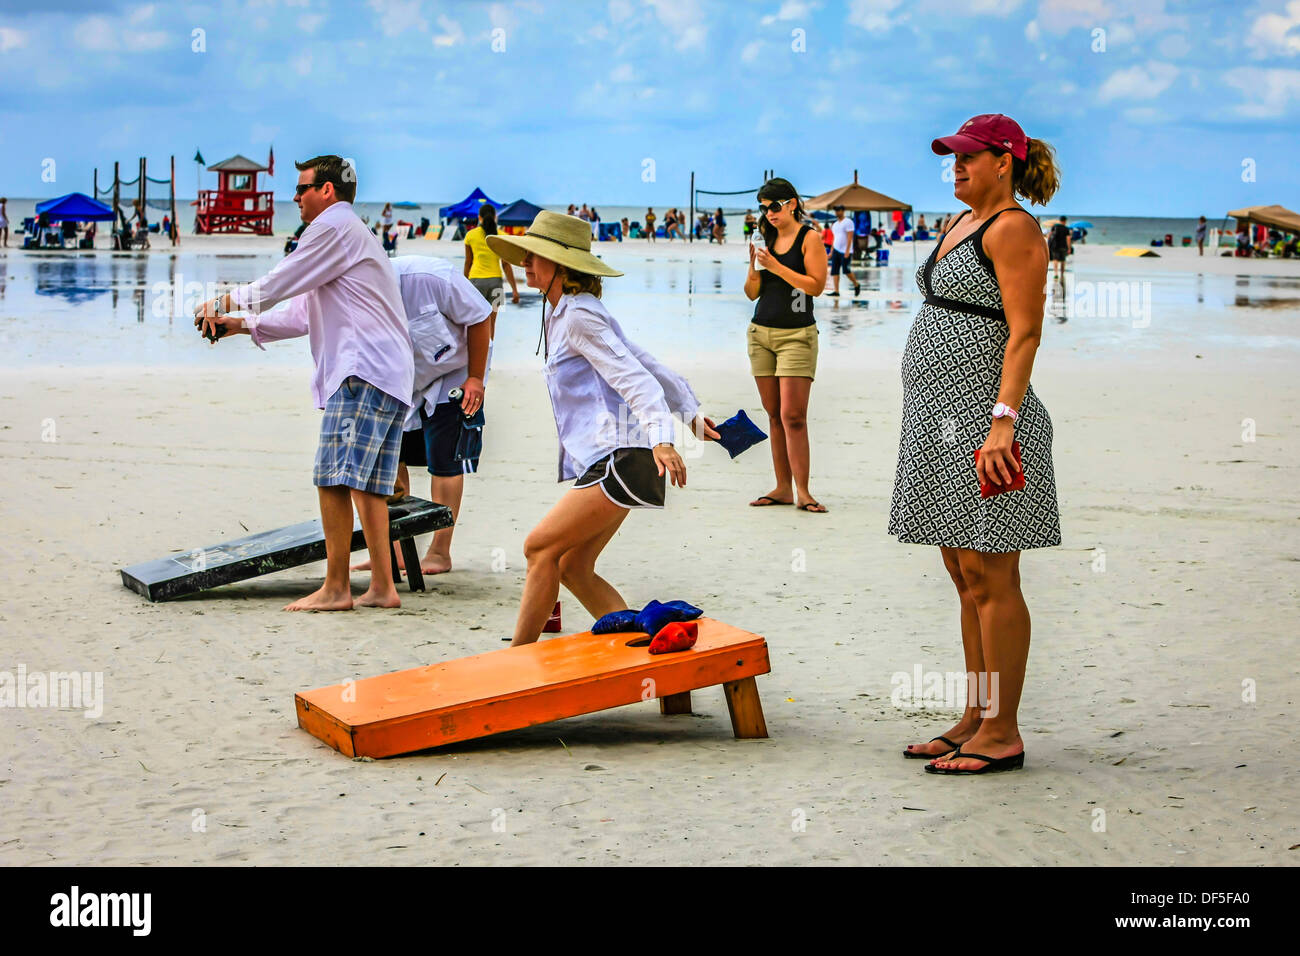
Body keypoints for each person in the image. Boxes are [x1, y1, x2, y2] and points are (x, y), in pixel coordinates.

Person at [892, 114, 1062, 774]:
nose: (956, 167)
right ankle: (976, 715)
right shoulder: (958, 223)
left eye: (969, 157)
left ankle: (1004, 732)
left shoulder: (1014, 228)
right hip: (941, 422)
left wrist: (1002, 423)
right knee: (965, 578)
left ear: (1005, 162)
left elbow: (1024, 334)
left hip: (988, 429)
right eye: (952, 157)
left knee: (993, 578)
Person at [485, 212, 718, 646]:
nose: (526, 264)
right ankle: (645, 642)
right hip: (617, 457)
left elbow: (634, 376)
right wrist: (689, 413)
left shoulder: (578, 317)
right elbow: (644, 360)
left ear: (562, 265)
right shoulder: (569, 313)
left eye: (535, 256)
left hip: (625, 457)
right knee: (572, 565)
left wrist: (664, 437)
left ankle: (516, 661)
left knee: (539, 548)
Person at [194, 154, 414, 612]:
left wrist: (221, 300)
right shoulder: (349, 236)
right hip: (387, 373)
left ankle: (336, 588)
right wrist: (241, 326)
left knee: (332, 478)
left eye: (302, 188)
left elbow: (281, 281)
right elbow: (302, 311)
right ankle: (382, 587)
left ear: (327, 191)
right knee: (368, 485)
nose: (294, 197)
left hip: (362, 371)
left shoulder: (333, 228)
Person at [352, 255, 493, 576]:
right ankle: (399, 553)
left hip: (455, 373)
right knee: (390, 459)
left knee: (444, 462)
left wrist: (475, 378)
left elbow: (481, 316)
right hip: (403, 380)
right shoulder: (357, 294)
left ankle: (440, 552)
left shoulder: (432, 277)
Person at [744, 177, 829, 513]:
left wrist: (776, 267)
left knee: (793, 415)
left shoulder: (811, 239)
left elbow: (816, 286)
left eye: (774, 207)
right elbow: (752, 293)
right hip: (760, 333)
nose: (769, 214)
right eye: (764, 208)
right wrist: (754, 268)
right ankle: (782, 488)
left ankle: (804, 491)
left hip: (797, 335)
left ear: (792, 203)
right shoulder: (763, 238)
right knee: (774, 416)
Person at [462, 203, 519, 338]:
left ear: (479, 218)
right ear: (495, 217)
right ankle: (489, 354)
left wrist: (463, 285)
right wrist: (514, 290)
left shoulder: (470, 235)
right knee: (492, 324)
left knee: (476, 323)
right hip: (496, 284)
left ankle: (477, 356)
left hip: (476, 283)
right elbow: (506, 265)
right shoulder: (502, 236)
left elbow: (468, 263)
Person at [827, 204, 861, 297]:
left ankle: (856, 284)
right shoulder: (835, 224)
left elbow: (850, 237)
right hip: (836, 250)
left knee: (846, 270)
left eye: (838, 210)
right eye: (836, 211)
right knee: (834, 271)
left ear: (843, 211)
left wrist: (847, 251)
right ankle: (836, 291)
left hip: (845, 251)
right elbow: (834, 238)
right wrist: (831, 251)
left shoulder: (848, 222)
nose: (837, 212)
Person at [1047, 214, 1071, 281]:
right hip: (1063, 246)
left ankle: (1056, 273)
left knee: (1055, 259)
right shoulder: (1066, 229)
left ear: (1060, 220)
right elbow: (1068, 239)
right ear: (1065, 221)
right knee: (1063, 260)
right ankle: (1062, 274)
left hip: (1054, 246)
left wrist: (1048, 244)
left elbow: (1049, 235)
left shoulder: (1055, 227)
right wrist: (1069, 248)